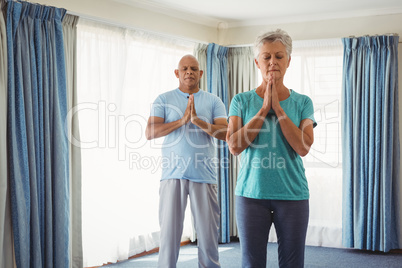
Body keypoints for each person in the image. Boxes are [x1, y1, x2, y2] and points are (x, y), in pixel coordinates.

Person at [226, 29, 316, 268]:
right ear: (257, 61)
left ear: (288, 61)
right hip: (251, 195)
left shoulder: (303, 103)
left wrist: (279, 109)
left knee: (292, 263)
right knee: (252, 263)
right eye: (266, 57)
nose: (272, 62)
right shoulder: (241, 101)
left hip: (293, 195)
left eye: (279, 56)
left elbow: (304, 146)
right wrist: (264, 110)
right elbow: (234, 145)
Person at [145, 54, 227, 268]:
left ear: (200, 73)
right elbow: (150, 132)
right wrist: (181, 121)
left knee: (209, 236)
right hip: (173, 175)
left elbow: (225, 132)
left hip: (204, 175)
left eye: (193, 68)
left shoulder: (213, 100)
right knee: (169, 237)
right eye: (184, 69)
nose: (189, 72)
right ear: (177, 73)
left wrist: (197, 121)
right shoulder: (163, 99)